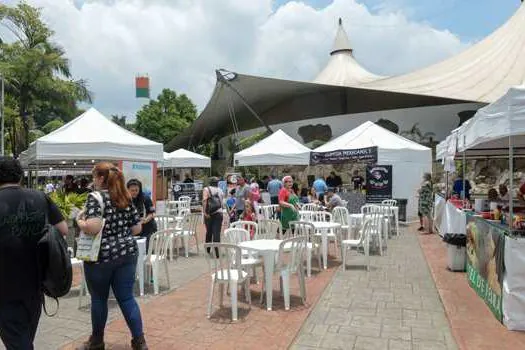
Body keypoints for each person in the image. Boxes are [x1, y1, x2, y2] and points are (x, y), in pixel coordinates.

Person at [76, 163, 147, 350]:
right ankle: (139, 341)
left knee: (99, 299)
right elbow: (137, 228)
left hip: (101, 257)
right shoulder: (125, 197)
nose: (93, 180)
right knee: (126, 298)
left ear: (100, 179)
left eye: (94, 177)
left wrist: (80, 222)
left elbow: (93, 227)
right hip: (127, 253)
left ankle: (97, 341)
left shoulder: (95, 198)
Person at [0, 157, 68, 349]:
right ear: (20, 176)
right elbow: (63, 229)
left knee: (17, 341)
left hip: (4, 284)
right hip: (36, 282)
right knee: (24, 336)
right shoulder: (39, 197)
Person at [127, 179, 157, 248]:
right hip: (133, 228)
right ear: (127, 189)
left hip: (147, 227)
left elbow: (152, 213)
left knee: (145, 249)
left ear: (139, 189)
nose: (134, 192)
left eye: (136, 190)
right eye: (132, 190)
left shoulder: (145, 198)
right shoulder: (126, 199)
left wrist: (145, 220)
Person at [202, 177, 224, 257]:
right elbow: (222, 203)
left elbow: (204, 201)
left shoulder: (206, 189)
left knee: (209, 232)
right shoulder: (220, 190)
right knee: (216, 233)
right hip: (219, 213)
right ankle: (217, 252)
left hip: (209, 213)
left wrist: (205, 212)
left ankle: (208, 250)